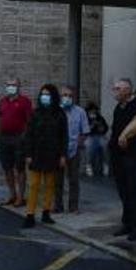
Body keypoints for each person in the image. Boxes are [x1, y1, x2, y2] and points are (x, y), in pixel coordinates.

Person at [22, 84, 68, 228]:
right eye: (42, 94)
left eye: (47, 94)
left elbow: (64, 136)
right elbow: (28, 135)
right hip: (36, 154)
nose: (44, 97)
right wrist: (28, 154)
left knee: (49, 185)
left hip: (53, 154)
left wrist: (62, 155)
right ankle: (30, 214)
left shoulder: (60, 114)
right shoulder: (35, 113)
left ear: (53, 96)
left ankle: (46, 213)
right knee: (34, 185)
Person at [109, 78, 136, 241]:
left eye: (118, 89)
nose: (115, 91)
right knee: (123, 191)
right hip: (118, 156)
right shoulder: (119, 107)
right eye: (115, 88)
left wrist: (128, 139)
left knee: (134, 191)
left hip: (132, 156)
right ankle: (127, 223)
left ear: (127, 91)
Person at [53, 85, 89, 213]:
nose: (67, 98)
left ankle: (73, 206)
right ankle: (58, 205)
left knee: (74, 179)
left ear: (74, 97)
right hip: (57, 151)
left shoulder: (80, 112)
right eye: (64, 95)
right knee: (57, 180)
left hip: (74, 149)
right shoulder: (55, 111)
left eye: (70, 96)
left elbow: (84, 131)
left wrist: (78, 143)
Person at [0, 77, 33, 207]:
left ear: (19, 87)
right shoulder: (2, 101)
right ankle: (12, 194)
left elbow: (29, 120)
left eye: (13, 85)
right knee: (7, 167)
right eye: (8, 85)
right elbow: (0, 116)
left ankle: (20, 197)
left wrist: (24, 136)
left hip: (19, 138)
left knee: (19, 168)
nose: (10, 87)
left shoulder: (25, 101)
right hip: (4, 137)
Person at [84, 102, 108, 177]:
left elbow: (105, 128)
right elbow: (84, 130)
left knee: (104, 145)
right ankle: (88, 166)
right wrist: (91, 126)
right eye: (91, 111)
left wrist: (100, 126)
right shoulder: (85, 118)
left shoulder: (100, 118)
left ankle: (105, 165)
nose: (93, 112)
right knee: (89, 146)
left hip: (100, 136)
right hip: (89, 137)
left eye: (94, 111)